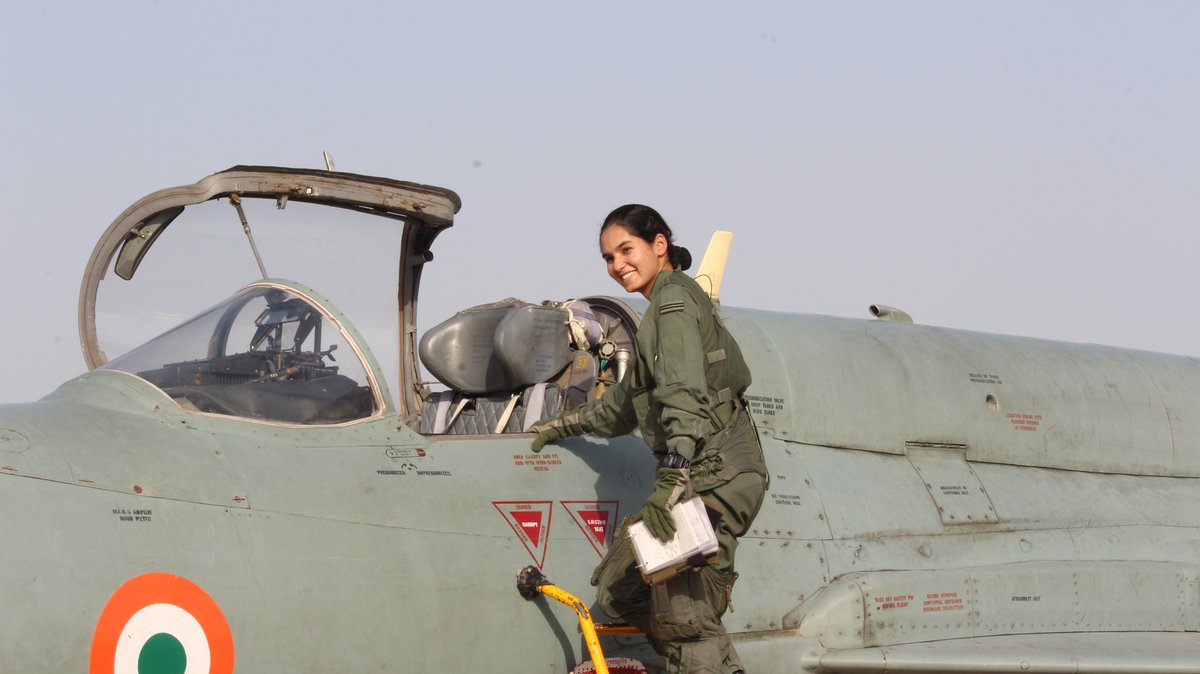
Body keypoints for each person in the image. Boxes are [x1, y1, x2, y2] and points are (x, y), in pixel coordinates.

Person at [530, 204, 768, 674]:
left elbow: (682, 390)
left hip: (714, 473)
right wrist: (565, 424)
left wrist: (674, 474)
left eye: (626, 250)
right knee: (620, 591)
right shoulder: (658, 312)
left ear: (660, 245)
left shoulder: (673, 303)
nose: (618, 265)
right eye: (608, 257)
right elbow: (626, 402)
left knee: (683, 614)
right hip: (700, 470)